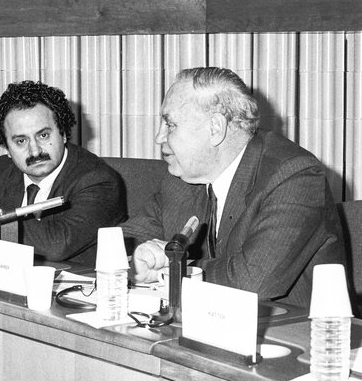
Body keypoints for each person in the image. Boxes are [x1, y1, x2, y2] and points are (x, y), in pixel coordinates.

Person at [121, 66, 345, 307]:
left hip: (290, 335)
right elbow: (126, 239)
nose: (159, 137)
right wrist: (141, 257)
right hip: (204, 328)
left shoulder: (295, 176)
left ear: (215, 129)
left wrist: (176, 269)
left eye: (170, 124)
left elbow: (252, 281)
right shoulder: (182, 178)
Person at [0, 80, 125, 266]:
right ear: (7, 149)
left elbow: (58, 243)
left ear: (63, 134)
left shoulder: (97, 180)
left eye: (43, 135)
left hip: (72, 286)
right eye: (21, 141)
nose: (35, 151)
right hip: (7, 281)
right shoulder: (4, 170)